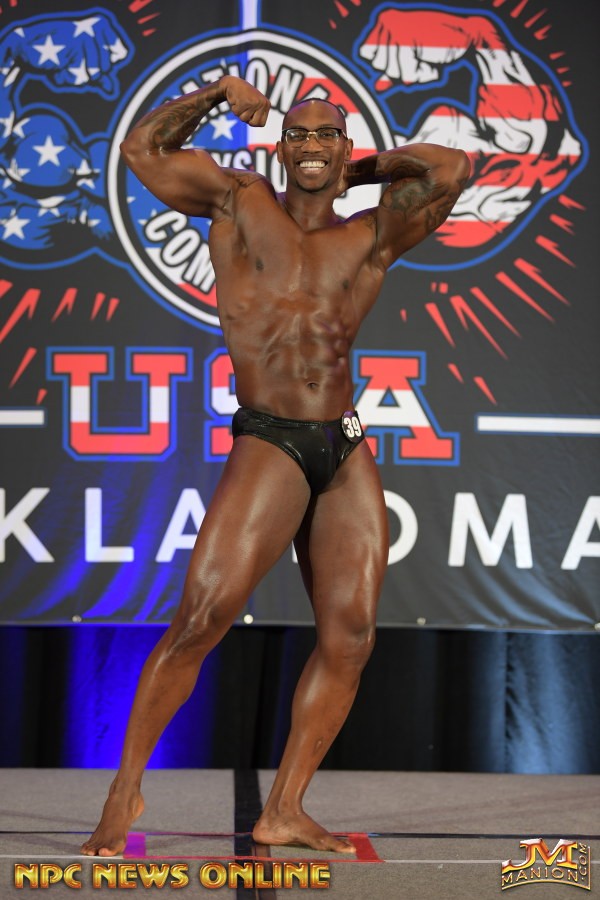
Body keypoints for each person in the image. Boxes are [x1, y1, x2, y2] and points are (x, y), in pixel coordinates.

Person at [81, 75, 470, 857]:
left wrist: (356, 173)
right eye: (300, 136)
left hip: (343, 446)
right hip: (271, 439)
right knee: (201, 619)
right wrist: (218, 94)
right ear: (281, 148)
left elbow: (452, 169)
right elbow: (142, 149)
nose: (312, 146)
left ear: (344, 147)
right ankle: (124, 789)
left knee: (352, 637)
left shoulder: (372, 235)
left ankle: (284, 809)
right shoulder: (237, 201)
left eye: (327, 136)